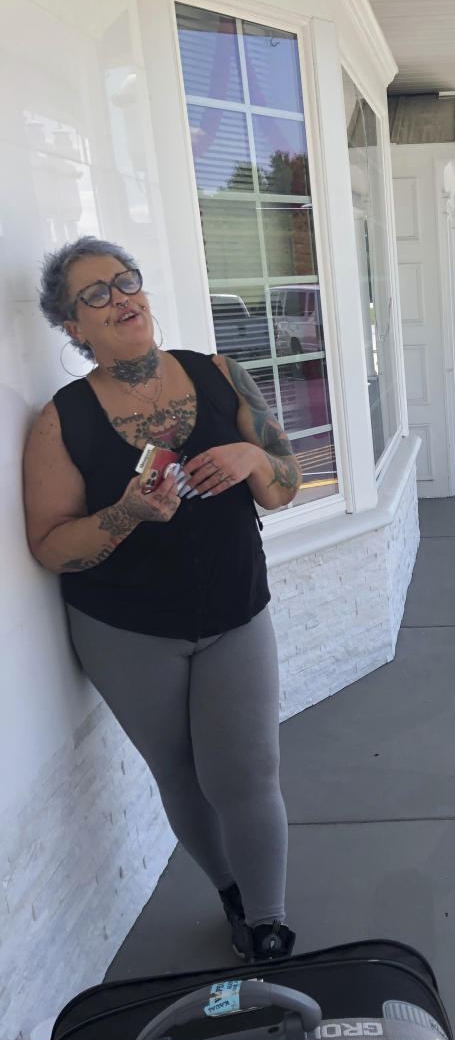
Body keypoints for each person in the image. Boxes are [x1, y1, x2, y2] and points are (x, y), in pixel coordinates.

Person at [24, 237, 302, 963]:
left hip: (235, 609)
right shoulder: (62, 421)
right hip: (126, 629)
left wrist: (251, 457)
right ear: (72, 328)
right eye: (95, 295)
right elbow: (50, 545)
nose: (121, 298)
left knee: (245, 772)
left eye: (126, 282)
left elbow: (285, 483)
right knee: (179, 773)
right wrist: (127, 514)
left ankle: (268, 925)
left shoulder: (218, 375)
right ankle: (230, 894)